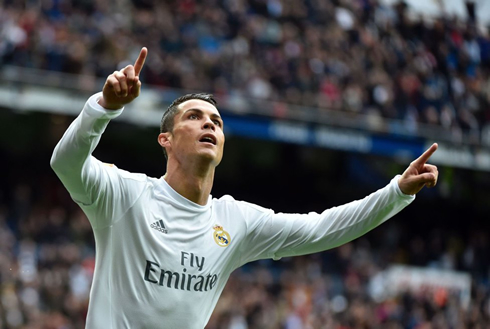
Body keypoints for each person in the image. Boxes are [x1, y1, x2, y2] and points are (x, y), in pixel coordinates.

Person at [50, 47, 439, 329]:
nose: (209, 125)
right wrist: (103, 106)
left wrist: (397, 191)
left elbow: (322, 228)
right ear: (165, 139)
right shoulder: (126, 196)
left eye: (216, 122)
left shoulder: (235, 222)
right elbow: (65, 163)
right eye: (195, 117)